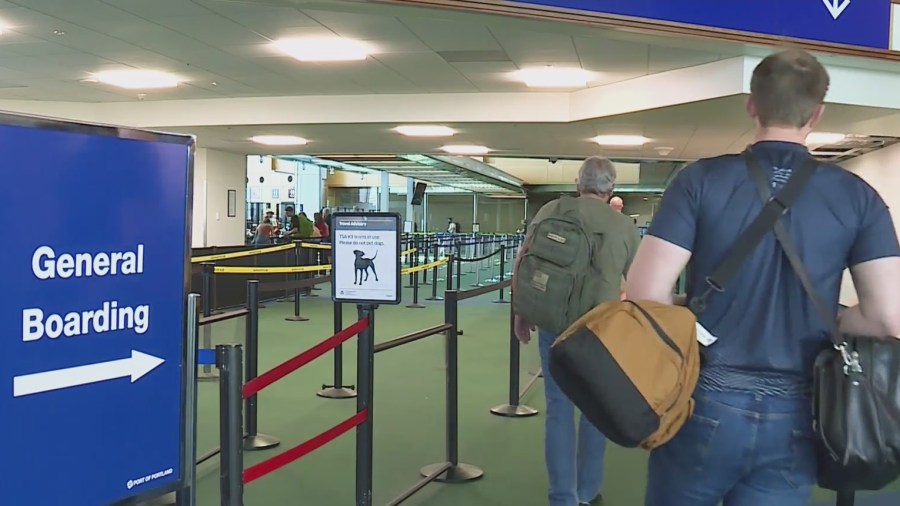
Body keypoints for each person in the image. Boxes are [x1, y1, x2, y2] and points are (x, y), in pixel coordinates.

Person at [625, 48, 900, 506]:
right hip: (799, 414)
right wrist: (831, 317)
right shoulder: (859, 197)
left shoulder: (698, 181)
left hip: (703, 400)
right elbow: (889, 318)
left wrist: (694, 310)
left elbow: (644, 294)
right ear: (817, 114)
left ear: (752, 105)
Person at [514, 156, 640, 506]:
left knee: (558, 408)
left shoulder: (551, 210)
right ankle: (587, 491)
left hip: (553, 323)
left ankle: (562, 498)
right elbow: (642, 285)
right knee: (594, 410)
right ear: (611, 188)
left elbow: (524, 260)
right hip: (600, 331)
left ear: (577, 182)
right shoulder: (623, 227)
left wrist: (521, 311)